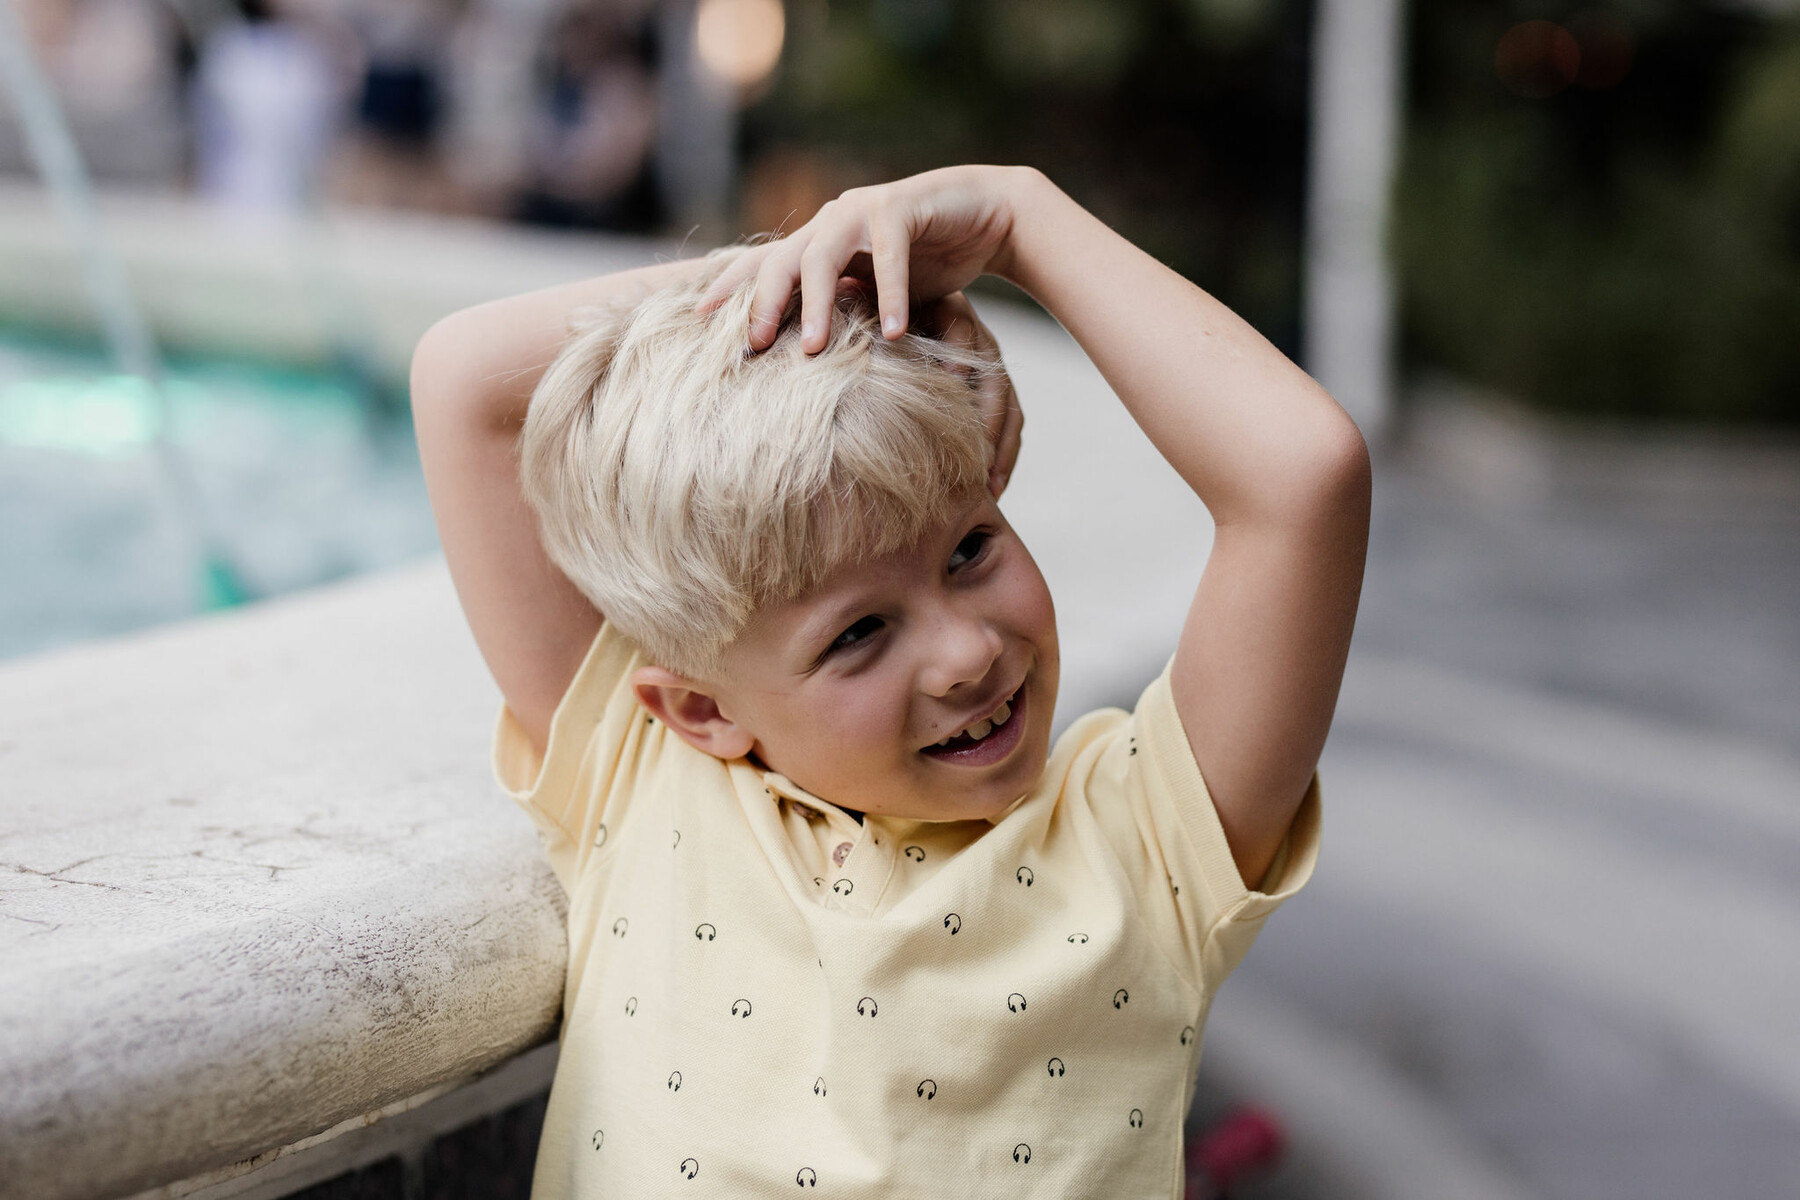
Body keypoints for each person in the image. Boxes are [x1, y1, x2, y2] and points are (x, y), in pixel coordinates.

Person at [410, 164, 1369, 1196]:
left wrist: (1016, 220)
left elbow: (1303, 477)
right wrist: (800, 283)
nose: (967, 653)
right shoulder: (643, 786)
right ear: (699, 709)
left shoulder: (1147, 845)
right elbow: (463, 379)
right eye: (860, 632)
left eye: (970, 550)